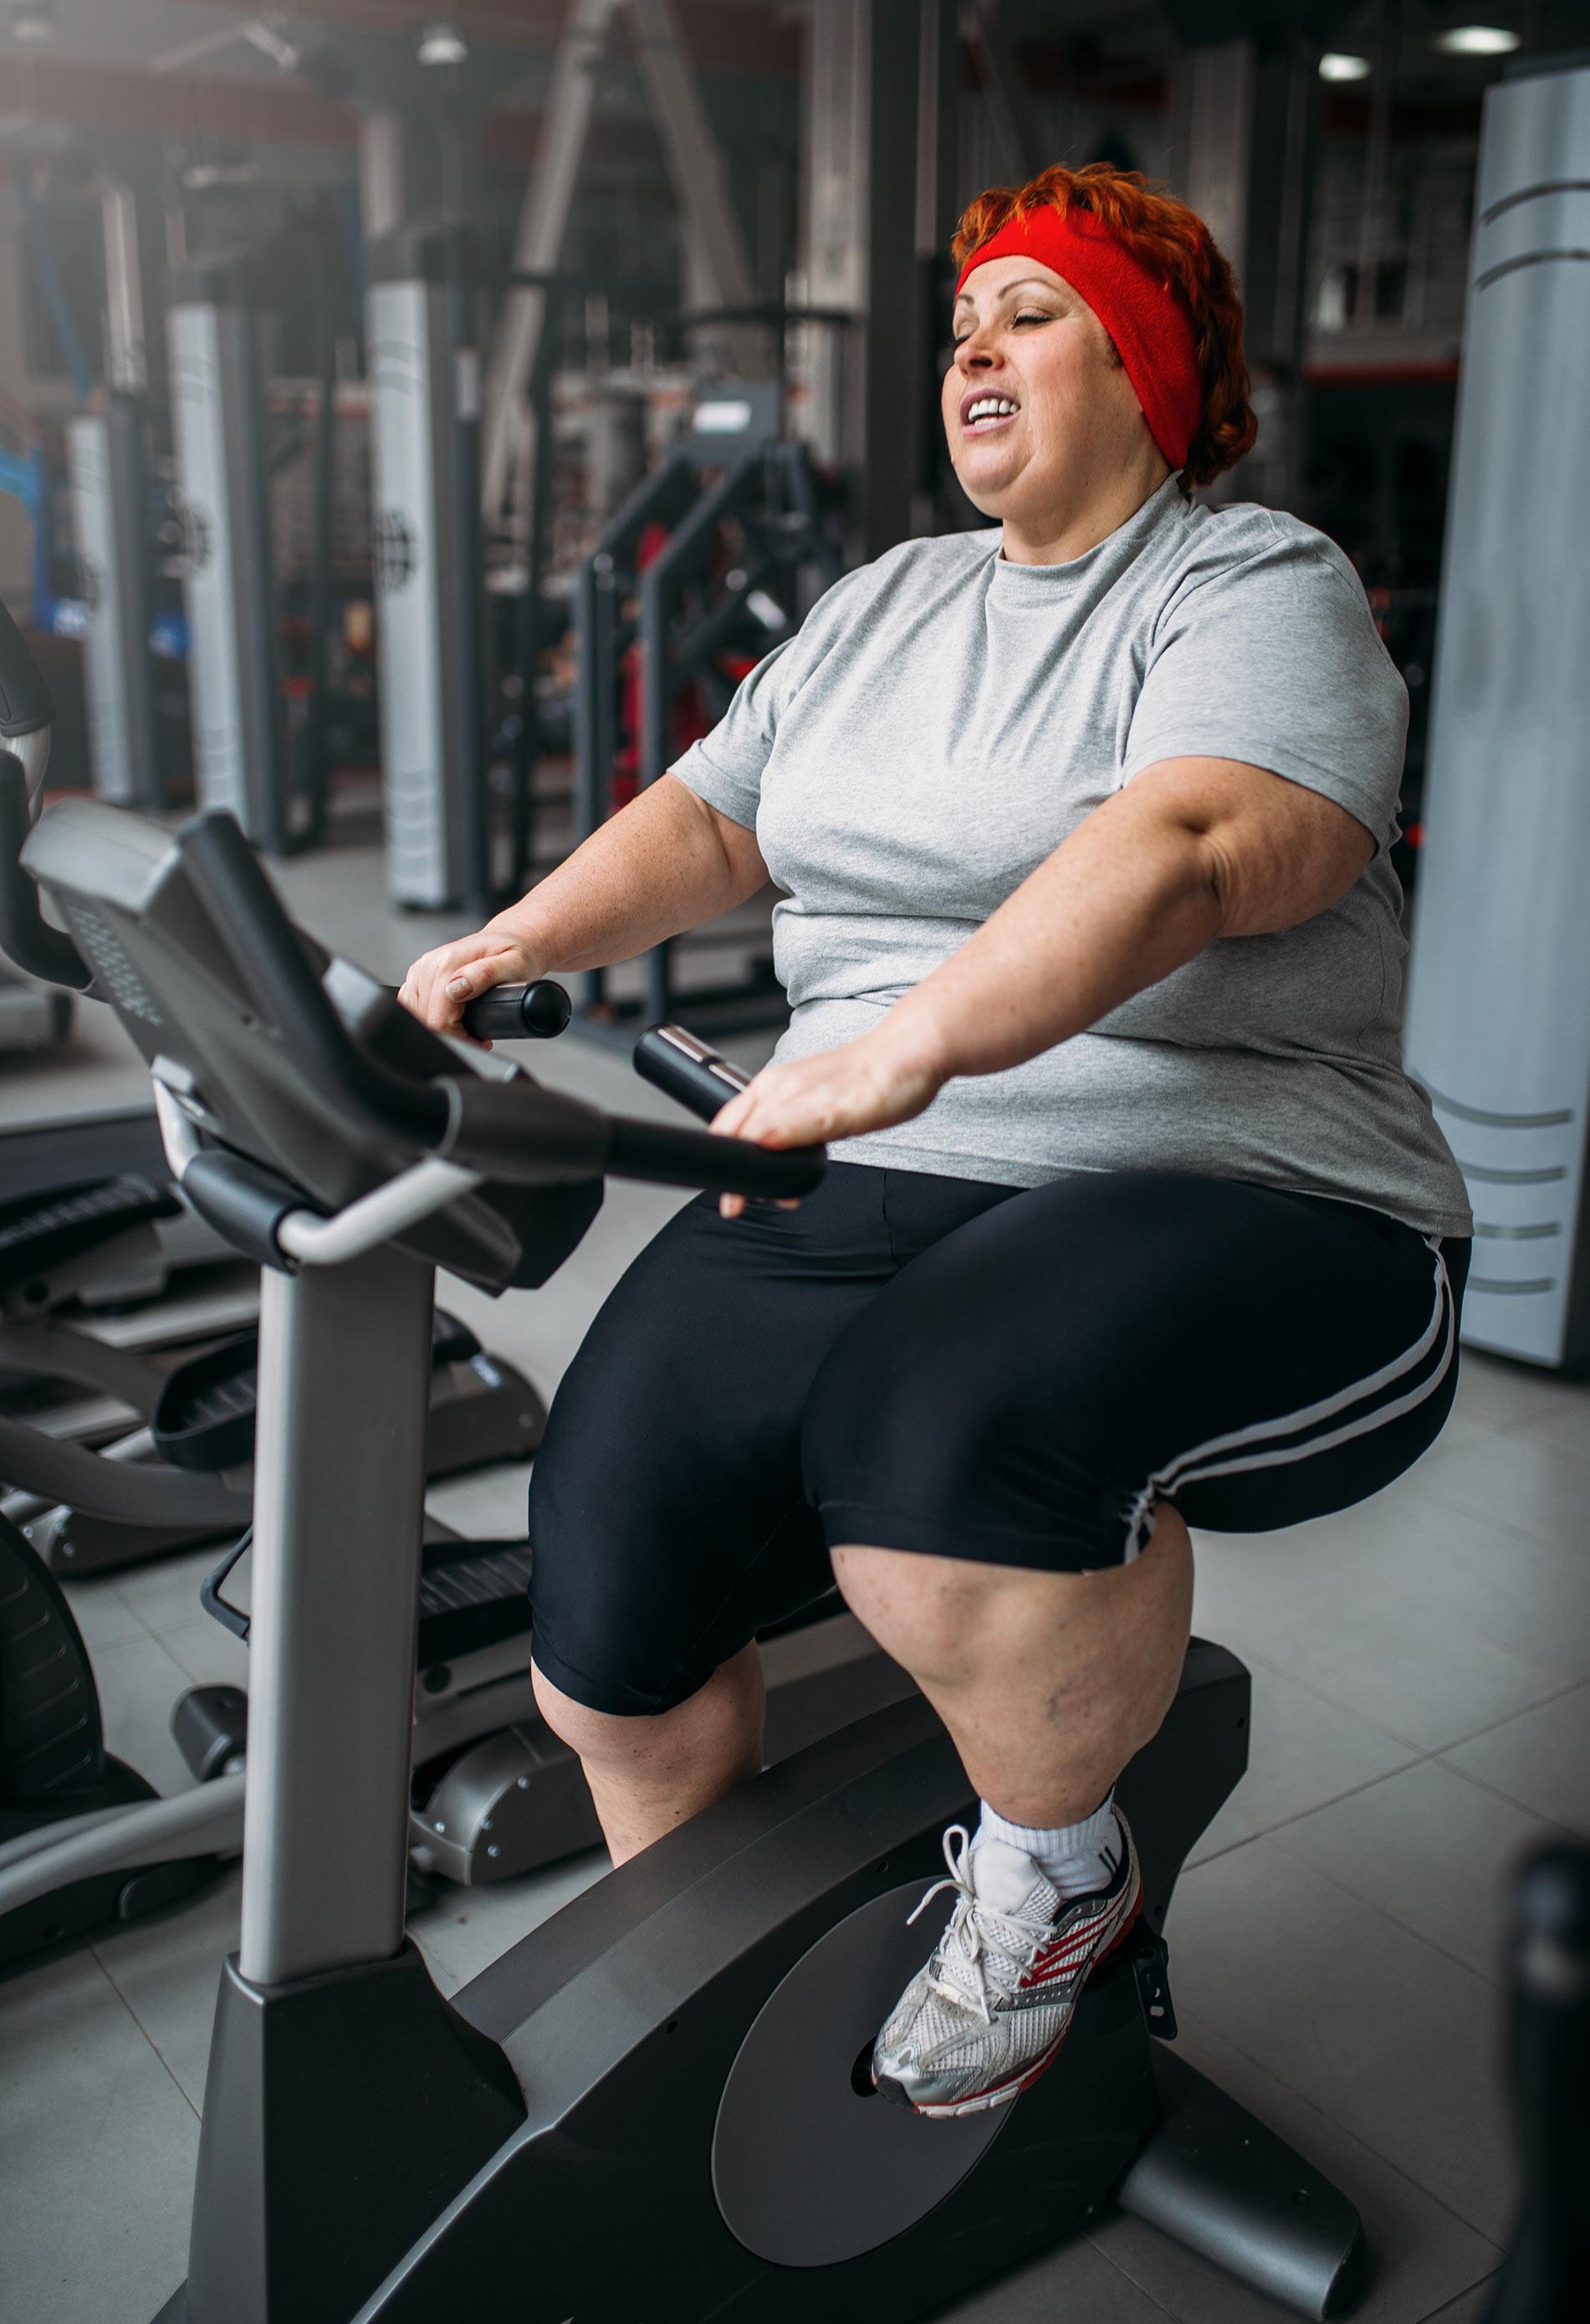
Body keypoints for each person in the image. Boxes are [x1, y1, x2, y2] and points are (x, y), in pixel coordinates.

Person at [402, 163, 1472, 2120]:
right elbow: (718, 816)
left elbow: (1195, 848)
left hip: (1238, 1172)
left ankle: (1057, 1882)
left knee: (941, 1434)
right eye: (962, 320)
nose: (974, 345)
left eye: (1032, 312)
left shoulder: (1252, 586)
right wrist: (515, 939)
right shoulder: (884, 600)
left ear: (1145, 366)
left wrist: (909, 1044)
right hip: (869, 1159)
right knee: (608, 1561)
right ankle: (700, 1994)